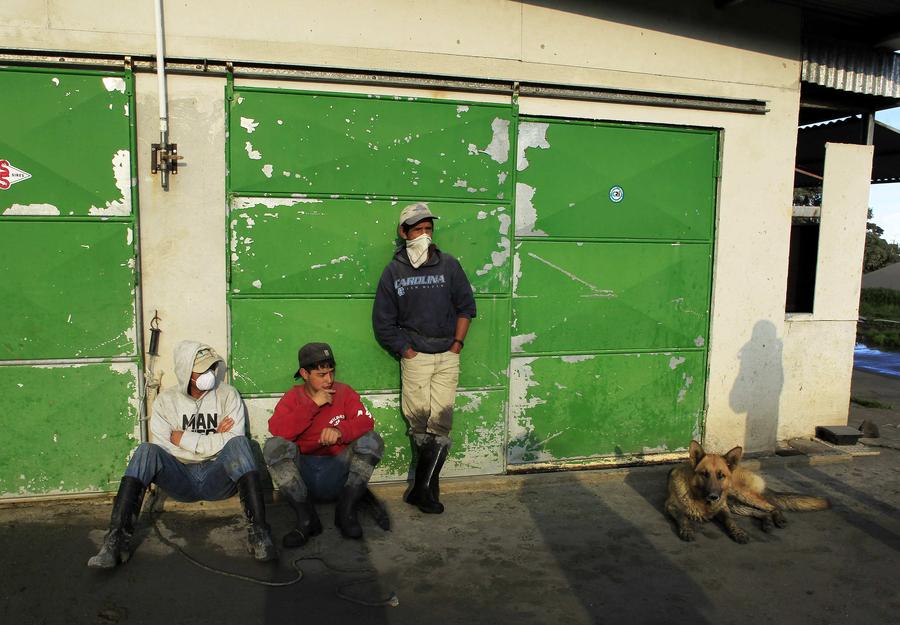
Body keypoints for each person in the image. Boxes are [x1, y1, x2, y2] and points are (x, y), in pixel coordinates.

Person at [88, 340, 276, 568]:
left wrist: (186, 438)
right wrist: (214, 438)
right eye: (203, 370)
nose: (210, 373)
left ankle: (259, 535)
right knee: (146, 450)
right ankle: (115, 541)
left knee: (239, 444)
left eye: (211, 368)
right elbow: (167, 447)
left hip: (218, 476)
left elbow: (231, 438)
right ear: (186, 371)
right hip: (181, 477)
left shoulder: (228, 395)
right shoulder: (165, 402)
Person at [372, 202, 476, 514]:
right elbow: (383, 323)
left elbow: (466, 308)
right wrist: (406, 350)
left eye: (428, 229)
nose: (424, 235)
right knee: (419, 423)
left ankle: (423, 489)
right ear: (403, 233)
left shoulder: (449, 266)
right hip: (415, 358)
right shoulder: (394, 271)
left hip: (447, 355)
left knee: (441, 423)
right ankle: (426, 488)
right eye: (418, 229)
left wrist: (456, 344)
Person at [264, 342, 386, 544]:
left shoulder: (344, 392)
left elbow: (366, 421)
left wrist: (340, 431)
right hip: (305, 477)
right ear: (304, 373)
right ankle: (306, 519)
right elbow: (278, 430)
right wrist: (313, 405)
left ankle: (345, 512)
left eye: (331, 372)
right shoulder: (293, 397)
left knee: (372, 440)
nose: (328, 380)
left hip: (338, 473)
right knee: (273, 446)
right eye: (321, 375)